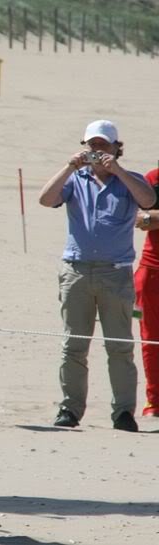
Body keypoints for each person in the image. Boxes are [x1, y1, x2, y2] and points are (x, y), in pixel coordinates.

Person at [38, 120, 155, 432]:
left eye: (103, 145)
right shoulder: (76, 180)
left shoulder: (130, 180)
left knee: (119, 345)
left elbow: (147, 201)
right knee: (73, 345)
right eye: (92, 145)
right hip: (76, 271)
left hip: (115, 274)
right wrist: (67, 167)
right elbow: (46, 199)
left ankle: (123, 413)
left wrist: (117, 171)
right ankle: (70, 409)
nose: (96, 151)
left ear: (117, 148)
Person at [134, 167, 159, 418]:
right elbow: (141, 220)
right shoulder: (154, 178)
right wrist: (151, 218)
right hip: (153, 271)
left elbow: (151, 218)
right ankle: (155, 402)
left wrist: (155, 218)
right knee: (151, 340)